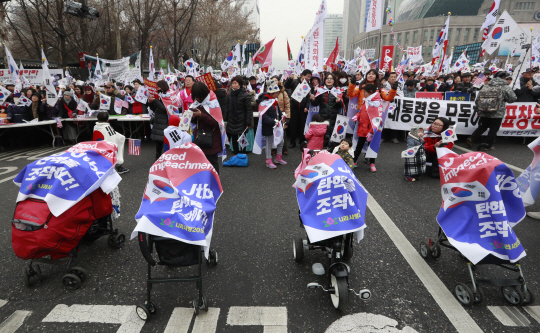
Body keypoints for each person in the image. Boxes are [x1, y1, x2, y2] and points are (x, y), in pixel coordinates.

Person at [347, 69, 398, 171]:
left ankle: (371, 162)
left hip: (374, 120)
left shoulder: (379, 89)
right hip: (361, 117)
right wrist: (352, 83)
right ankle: (355, 160)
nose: (370, 75)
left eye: (373, 74)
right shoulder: (360, 86)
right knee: (358, 142)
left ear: (376, 76)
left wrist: (394, 89)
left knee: (373, 143)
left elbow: (388, 98)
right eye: (369, 74)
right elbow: (351, 93)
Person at [467, 71, 517, 151]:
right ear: (504, 78)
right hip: (497, 112)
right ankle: (488, 145)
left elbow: (478, 100)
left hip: (484, 111)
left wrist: (478, 110)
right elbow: (513, 98)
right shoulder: (504, 87)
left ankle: (471, 138)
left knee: (482, 127)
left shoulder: (486, 86)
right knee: (493, 130)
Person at [190, 82, 223, 173]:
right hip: (199, 137)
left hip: (211, 138)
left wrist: (201, 115)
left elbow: (216, 123)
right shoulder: (197, 104)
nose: (197, 98)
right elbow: (195, 122)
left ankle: (215, 182)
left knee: (212, 162)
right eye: (195, 96)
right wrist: (193, 117)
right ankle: (205, 182)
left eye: (198, 96)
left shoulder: (213, 103)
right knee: (201, 163)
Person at [258, 80, 287, 169]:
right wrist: (273, 121)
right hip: (269, 126)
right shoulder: (264, 102)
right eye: (276, 93)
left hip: (277, 125)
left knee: (281, 141)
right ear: (271, 93)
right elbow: (263, 115)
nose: (277, 95)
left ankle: (278, 157)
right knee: (269, 144)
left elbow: (277, 111)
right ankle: (268, 160)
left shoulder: (274, 101)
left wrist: (283, 114)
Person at [310, 73, 343, 145]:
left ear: (334, 80)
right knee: (322, 139)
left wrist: (339, 102)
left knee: (334, 139)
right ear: (324, 80)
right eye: (327, 78)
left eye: (331, 78)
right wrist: (312, 99)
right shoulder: (320, 91)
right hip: (323, 116)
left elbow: (341, 106)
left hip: (334, 117)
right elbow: (315, 103)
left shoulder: (337, 91)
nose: (329, 80)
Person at [223, 76, 252, 156]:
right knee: (234, 137)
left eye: (235, 83)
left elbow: (248, 110)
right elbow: (227, 106)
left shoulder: (245, 95)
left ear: (240, 84)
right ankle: (235, 153)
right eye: (232, 83)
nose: (233, 85)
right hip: (232, 119)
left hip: (242, 119)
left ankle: (243, 154)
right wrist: (225, 118)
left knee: (242, 137)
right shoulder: (230, 94)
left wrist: (248, 121)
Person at [284, 69, 312, 148]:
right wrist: (290, 79)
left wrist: (307, 106)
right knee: (293, 125)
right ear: (302, 75)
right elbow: (286, 86)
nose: (309, 78)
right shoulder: (294, 81)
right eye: (308, 76)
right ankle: (292, 142)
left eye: (310, 77)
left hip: (303, 108)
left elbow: (308, 98)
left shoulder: (309, 85)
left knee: (302, 125)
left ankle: (301, 142)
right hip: (294, 107)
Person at [148, 82, 169, 160]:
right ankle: (157, 161)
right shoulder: (159, 95)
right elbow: (156, 109)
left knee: (166, 144)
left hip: (165, 122)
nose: (157, 89)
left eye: (158, 87)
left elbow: (164, 109)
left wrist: (155, 101)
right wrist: (150, 103)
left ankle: (166, 161)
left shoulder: (168, 94)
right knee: (158, 145)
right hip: (158, 122)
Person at [276, 78, 290, 154]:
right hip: (273, 115)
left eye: (276, 80)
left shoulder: (283, 93)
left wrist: (288, 117)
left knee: (282, 133)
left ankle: (284, 148)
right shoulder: (269, 93)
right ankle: (274, 148)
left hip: (282, 115)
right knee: (273, 133)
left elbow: (287, 105)